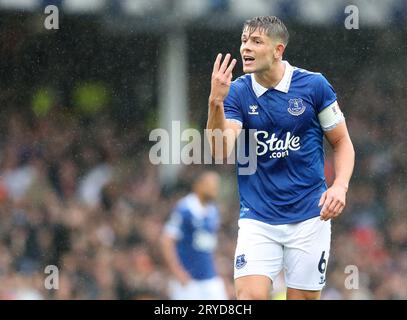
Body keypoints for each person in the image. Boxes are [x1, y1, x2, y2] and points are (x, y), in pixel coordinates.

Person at [206, 16, 355, 300]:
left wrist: (340, 186)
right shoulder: (238, 91)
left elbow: (342, 142)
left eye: (256, 41)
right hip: (258, 218)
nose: (245, 48)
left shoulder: (314, 86)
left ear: (278, 50)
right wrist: (215, 102)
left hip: (311, 216)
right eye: (244, 40)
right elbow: (220, 149)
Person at [160, 170, 228, 300]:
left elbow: (210, 245)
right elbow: (166, 240)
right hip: (189, 280)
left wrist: (217, 270)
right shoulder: (184, 209)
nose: (215, 188)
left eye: (216, 185)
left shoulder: (213, 211)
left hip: (210, 277)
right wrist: (177, 271)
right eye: (211, 184)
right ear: (199, 185)